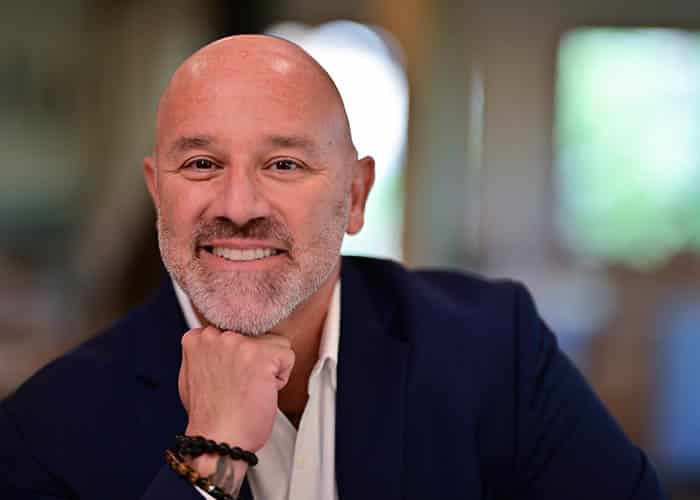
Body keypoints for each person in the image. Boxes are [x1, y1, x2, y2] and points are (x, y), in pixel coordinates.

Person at [0, 35, 665, 500]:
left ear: (355, 195)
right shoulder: (45, 425)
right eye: (201, 164)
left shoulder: (497, 348)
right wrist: (210, 458)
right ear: (157, 193)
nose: (238, 206)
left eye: (284, 164)